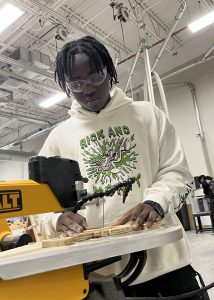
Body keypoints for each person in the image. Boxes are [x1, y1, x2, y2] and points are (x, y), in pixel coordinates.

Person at [36, 36, 209, 299]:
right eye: (76, 83)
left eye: (95, 77)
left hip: (165, 266)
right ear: (68, 86)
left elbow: (177, 171)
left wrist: (156, 201)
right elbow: (38, 201)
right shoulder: (59, 138)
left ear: (110, 72)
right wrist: (56, 219)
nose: (88, 89)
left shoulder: (148, 115)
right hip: (100, 275)